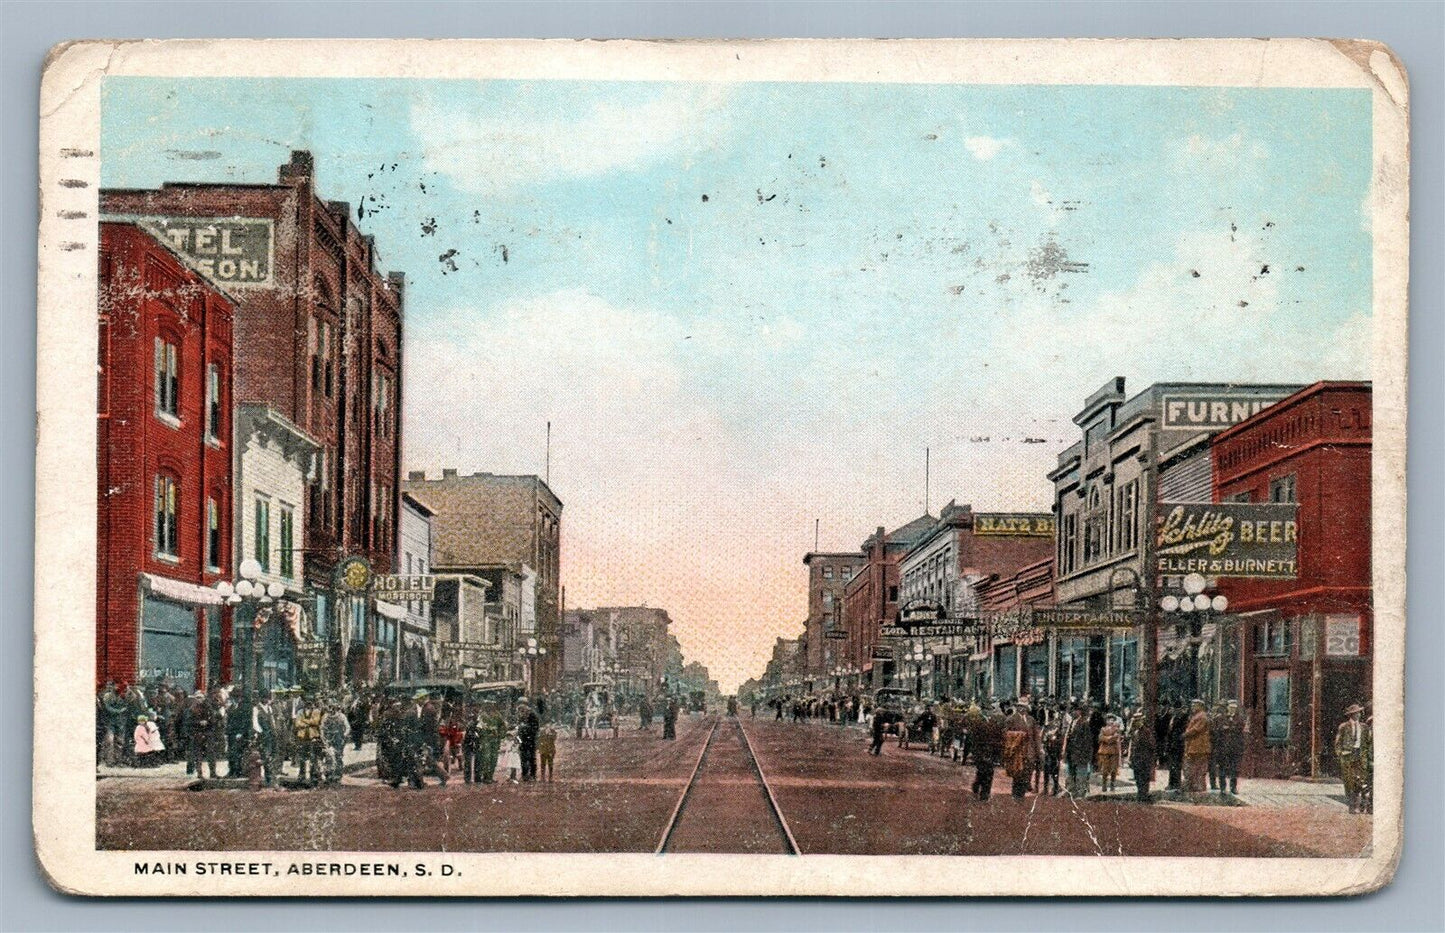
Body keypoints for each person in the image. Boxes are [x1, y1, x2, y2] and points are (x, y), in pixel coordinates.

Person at [1334, 703, 1370, 814]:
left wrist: (1365, 754)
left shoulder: (1364, 727)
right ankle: (1351, 806)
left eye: (1359, 713)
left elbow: (1367, 742)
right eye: (1355, 713)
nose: (1358, 715)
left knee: (1360, 781)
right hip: (1348, 755)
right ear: (1351, 715)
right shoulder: (1344, 726)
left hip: (1359, 754)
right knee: (1349, 781)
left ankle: (1359, 805)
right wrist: (1340, 753)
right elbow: (1338, 742)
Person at [1002, 702, 1038, 799]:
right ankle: (1016, 794)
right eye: (1019, 706)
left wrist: (1038, 749)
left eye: (1023, 706)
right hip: (1018, 751)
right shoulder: (1011, 719)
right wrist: (1018, 735)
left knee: (1028, 771)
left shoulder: (1031, 720)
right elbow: (1005, 733)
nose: (1021, 708)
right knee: (1018, 773)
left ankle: (1022, 792)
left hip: (1029, 750)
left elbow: (1036, 735)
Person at [970, 705, 1005, 801]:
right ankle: (977, 784)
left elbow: (999, 736)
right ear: (983, 711)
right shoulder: (977, 721)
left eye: (990, 710)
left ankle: (985, 793)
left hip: (991, 750)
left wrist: (998, 750)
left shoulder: (994, 722)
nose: (988, 712)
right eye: (986, 710)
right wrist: (975, 752)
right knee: (982, 771)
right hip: (981, 750)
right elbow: (974, 737)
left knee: (989, 771)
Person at [1062, 705, 1094, 798]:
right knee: (1070, 772)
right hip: (1071, 752)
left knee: (1081, 773)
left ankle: (1081, 792)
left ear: (1079, 712)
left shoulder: (1084, 723)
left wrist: (1086, 754)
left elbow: (1087, 741)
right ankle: (1071, 790)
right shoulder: (1072, 722)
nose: (1072, 712)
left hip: (1080, 753)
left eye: (1075, 710)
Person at [1213, 700, 1245, 795]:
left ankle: (1233, 787)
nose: (1232, 710)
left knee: (1234, 768)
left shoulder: (1239, 718)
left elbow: (1239, 728)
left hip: (1234, 747)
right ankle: (1223, 787)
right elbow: (1218, 729)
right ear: (1227, 708)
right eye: (1230, 708)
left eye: (1234, 708)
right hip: (1223, 747)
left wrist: (1228, 727)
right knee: (1222, 768)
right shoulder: (1221, 718)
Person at [293, 695, 326, 787]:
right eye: (306, 701)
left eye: (310, 702)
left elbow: (315, 722)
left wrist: (304, 721)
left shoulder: (316, 711)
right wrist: (308, 722)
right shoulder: (300, 711)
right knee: (302, 758)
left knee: (313, 758)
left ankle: (313, 776)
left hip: (312, 737)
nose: (308, 703)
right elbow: (297, 724)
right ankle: (301, 776)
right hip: (302, 737)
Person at [1182, 699, 1212, 793]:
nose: (1192, 707)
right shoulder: (1199, 716)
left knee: (1198, 767)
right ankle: (1195, 786)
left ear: (1200, 706)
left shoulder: (1202, 716)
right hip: (1195, 746)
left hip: (1199, 746)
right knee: (1196, 767)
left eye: (1195, 705)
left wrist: (1185, 734)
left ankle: (1198, 786)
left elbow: (1196, 729)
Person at [1126, 711, 1156, 801]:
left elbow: (1152, 745)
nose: (1137, 722)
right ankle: (1141, 794)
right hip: (1136, 758)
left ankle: (1143, 795)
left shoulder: (1146, 731)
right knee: (1138, 778)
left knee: (1144, 778)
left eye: (1138, 720)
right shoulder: (1135, 732)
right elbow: (1130, 742)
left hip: (1144, 758)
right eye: (1135, 721)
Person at [321, 701, 350, 784]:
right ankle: (328, 775)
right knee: (328, 756)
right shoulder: (326, 717)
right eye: (330, 707)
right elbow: (322, 728)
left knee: (338, 756)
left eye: (333, 707)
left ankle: (338, 775)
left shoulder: (341, 716)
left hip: (338, 738)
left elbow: (347, 727)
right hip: (329, 738)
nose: (331, 709)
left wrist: (344, 735)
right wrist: (324, 739)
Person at [1096, 715, 1123, 793]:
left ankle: (1112, 785)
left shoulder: (1116, 729)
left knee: (1113, 769)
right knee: (1105, 770)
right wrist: (1109, 738)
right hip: (1104, 752)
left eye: (1112, 720)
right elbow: (1100, 738)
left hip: (1114, 752)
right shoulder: (1103, 729)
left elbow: (1116, 737)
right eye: (1109, 720)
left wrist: (1107, 738)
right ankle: (1104, 785)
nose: (1111, 722)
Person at [518, 700, 541, 781]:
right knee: (523, 758)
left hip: (531, 739)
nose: (522, 712)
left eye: (522, 710)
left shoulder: (532, 715)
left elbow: (536, 728)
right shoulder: (521, 717)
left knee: (531, 758)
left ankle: (533, 775)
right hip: (523, 740)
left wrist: (525, 728)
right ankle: (525, 774)